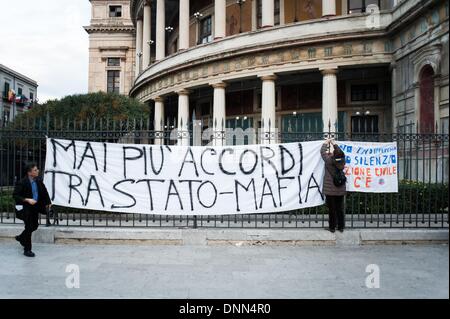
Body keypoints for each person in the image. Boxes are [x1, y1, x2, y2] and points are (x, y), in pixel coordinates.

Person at [13, 162, 52, 257]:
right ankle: (27, 250)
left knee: (34, 226)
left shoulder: (38, 181)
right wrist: (27, 200)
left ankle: (21, 238)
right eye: (35, 170)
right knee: (29, 226)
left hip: (35, 207)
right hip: (25, 208)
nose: (37, 170)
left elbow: (44, 192)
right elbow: (15, 195)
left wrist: (48, 203)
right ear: (29, 173)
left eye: (37, 169)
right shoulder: (22, 182)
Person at [321, 139, 347, 233]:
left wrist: (326, 142)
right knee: (339, 208)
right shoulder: (342, 161)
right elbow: (339, 152)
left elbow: (322, 151)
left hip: (330, 189)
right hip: (340, 188)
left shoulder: (328, 160)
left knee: (332, 209)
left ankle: (332, 227)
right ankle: (341, 227)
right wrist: (334, 144)